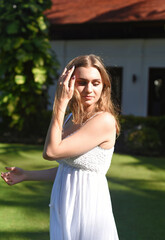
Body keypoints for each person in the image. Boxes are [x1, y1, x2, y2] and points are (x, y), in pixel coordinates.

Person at [1, 54, 120, 240]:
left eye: (96, 83)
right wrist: (26, 175)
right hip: (65, 204)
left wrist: (60, 102)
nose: (89, 89)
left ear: (104, 87)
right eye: (82, 82)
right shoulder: (69, 119)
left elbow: (51, 152)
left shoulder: (104, 120)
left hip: (88, 207)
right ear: (69, 83)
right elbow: (69, 169)